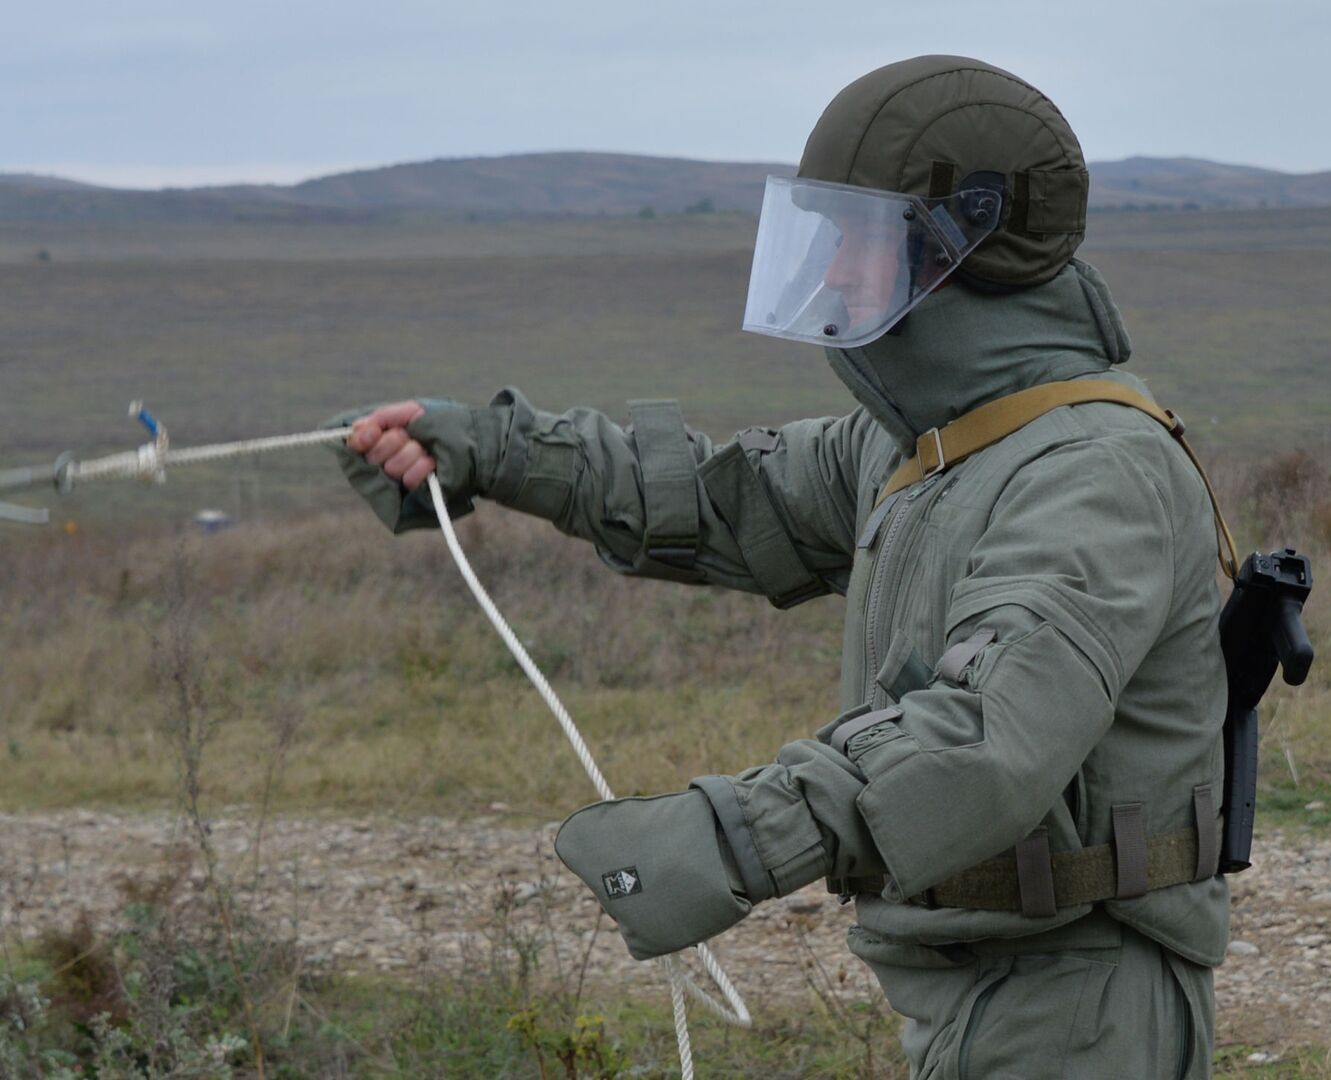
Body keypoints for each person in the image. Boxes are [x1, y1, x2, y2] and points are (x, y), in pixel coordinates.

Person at [336, 55, 1230, 1079]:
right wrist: (493, 451)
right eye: (830, 238)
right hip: (987, 989)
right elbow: (721, 501)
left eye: (861, 241)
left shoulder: (1091, 472)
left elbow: (984, 735)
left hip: (1080, 1006)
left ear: (964, 246)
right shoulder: (921, 444)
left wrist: (733, 838)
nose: (835, 274)